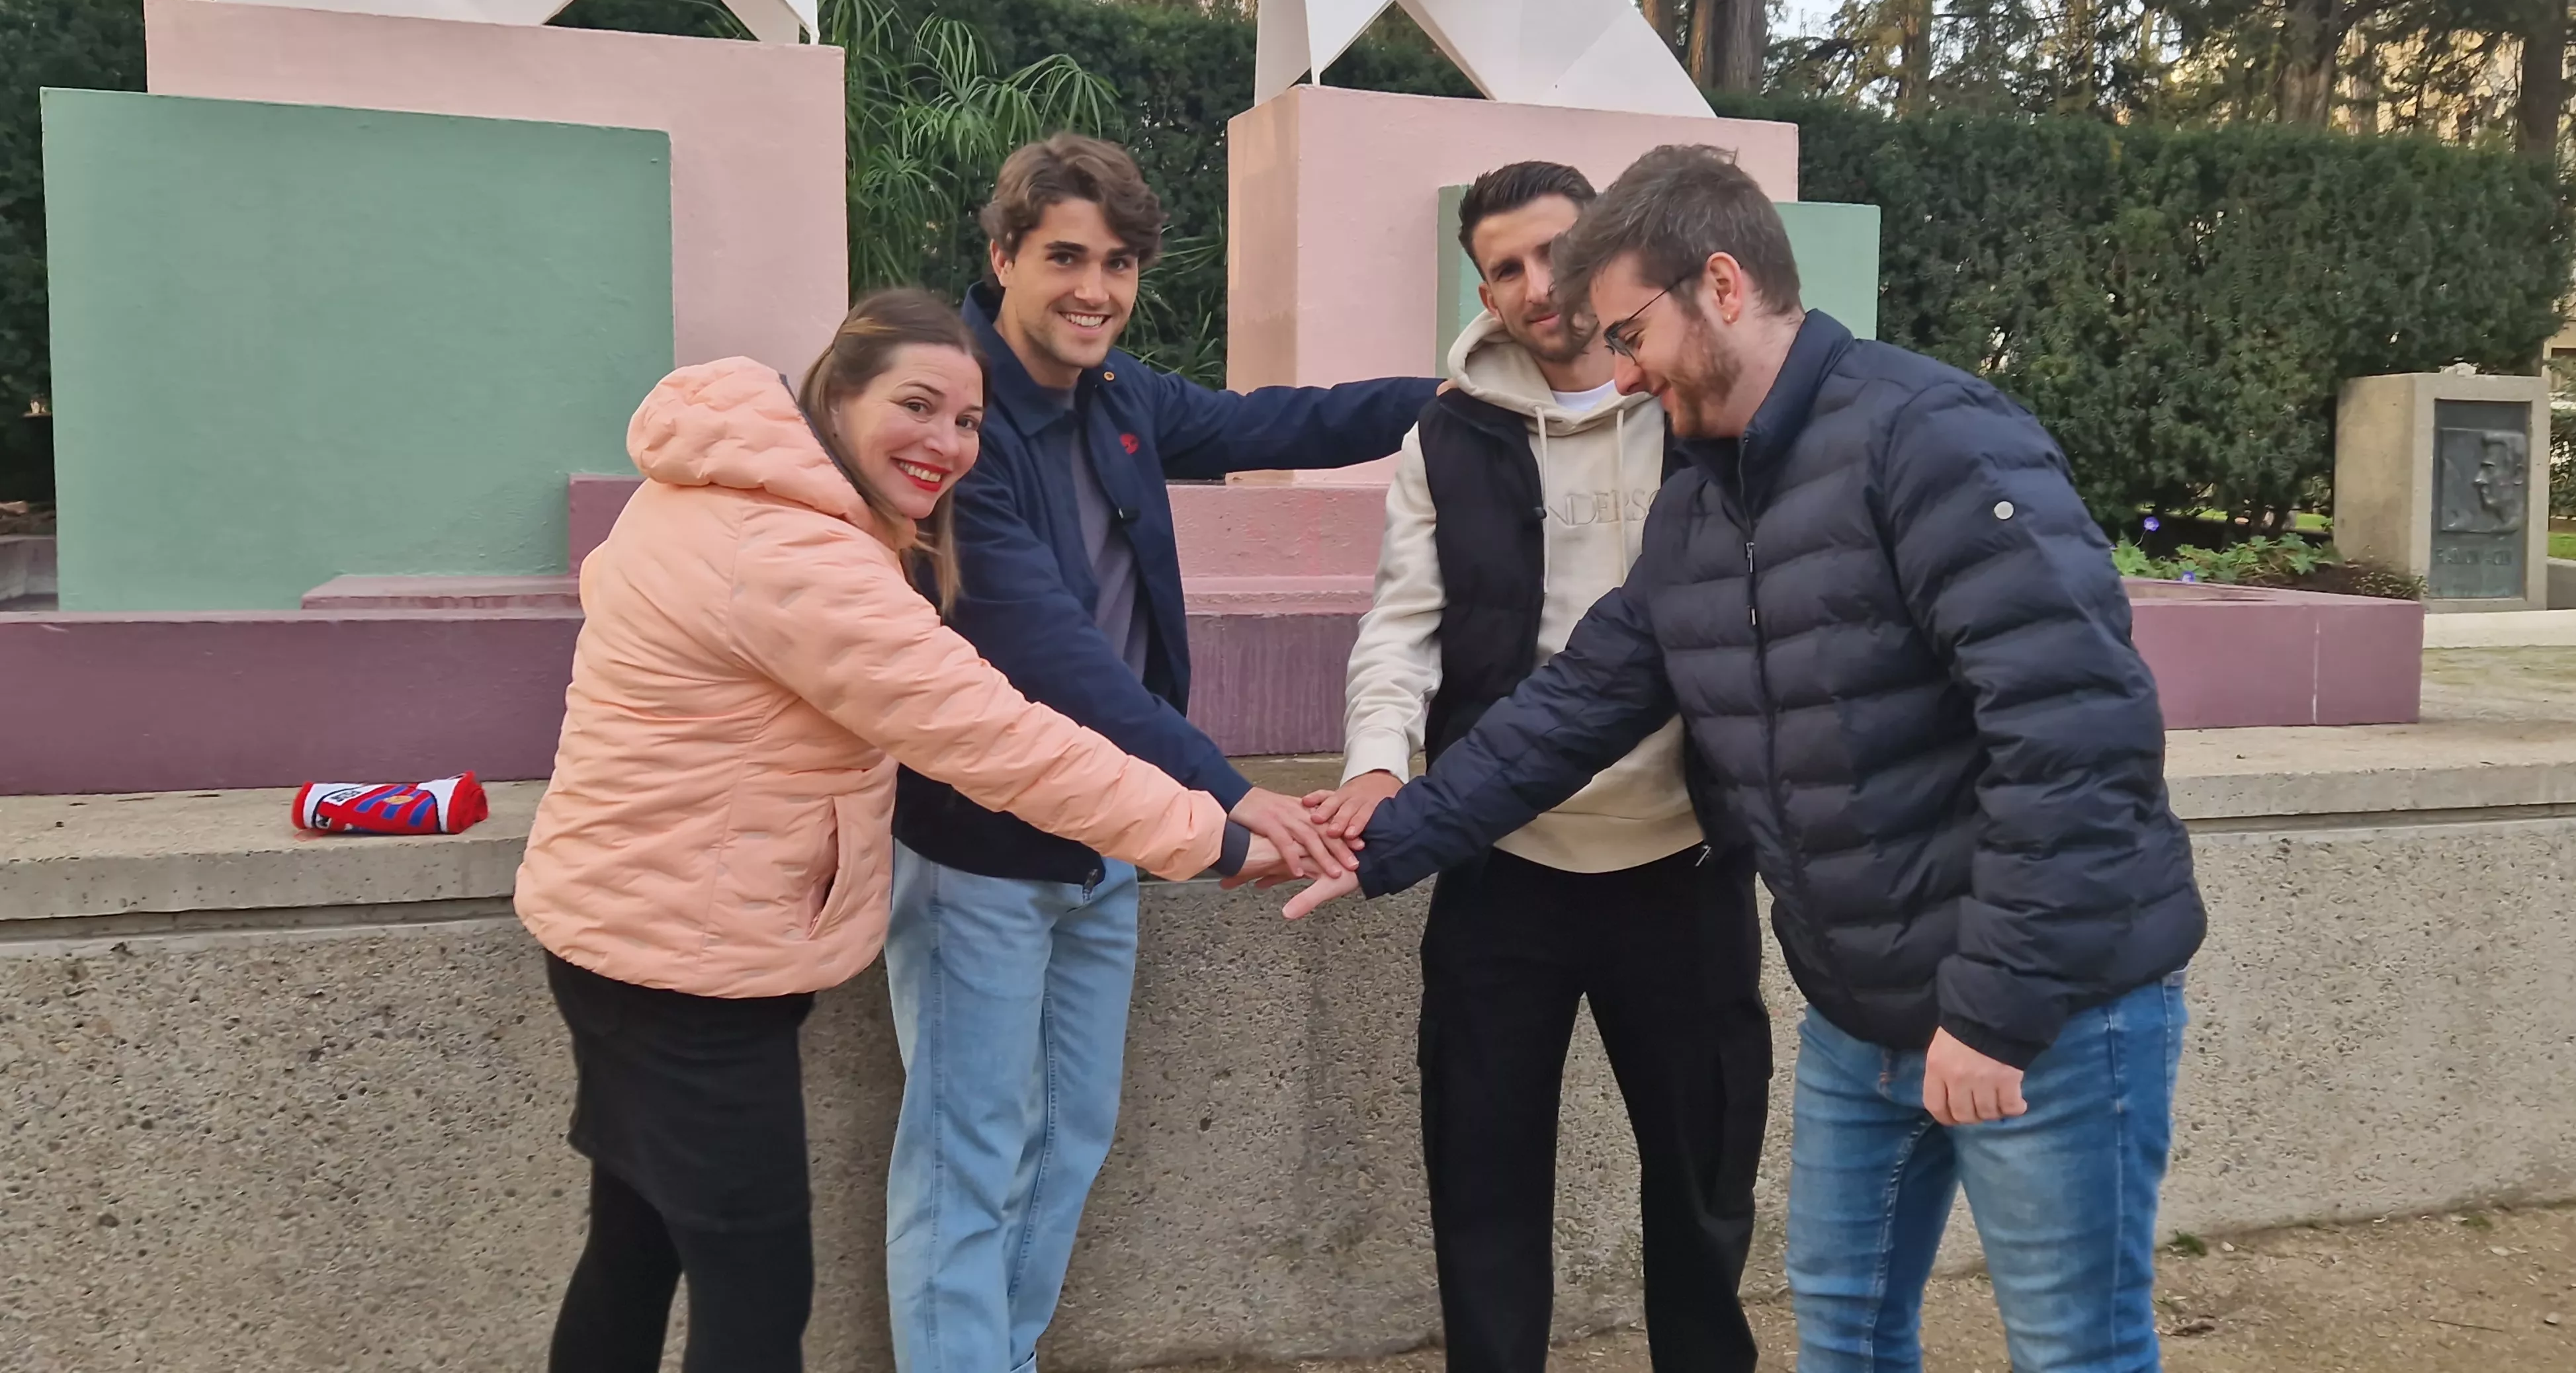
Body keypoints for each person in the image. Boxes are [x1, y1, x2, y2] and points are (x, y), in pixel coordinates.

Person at [1268, 146, 2209, 1373]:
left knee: (2074, 1350)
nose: (1617, 368)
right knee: (1845, 1336)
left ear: (1720, 284)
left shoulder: (1932, 436)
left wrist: (1992, 1010)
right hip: (1859, 1014)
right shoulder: (1707, 498)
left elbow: (2077, 741)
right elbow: (1579, 704)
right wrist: (1386, 835)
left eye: (1629, 331)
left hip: (2040, 1010)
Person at [513, 289, 1310, 1373]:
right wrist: (1210, 832)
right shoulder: (799, 558)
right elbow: (996, 736)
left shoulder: (723, 496)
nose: (947, 445)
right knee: (756, 1299)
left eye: (969, 422)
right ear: (836, 396)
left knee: (637, 1248)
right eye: (918, 406)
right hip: (682, 972)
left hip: (633, 932)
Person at [883, 133, 1438, 1373]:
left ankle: (1000, 1356)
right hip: (982, 844)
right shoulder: (959, 420)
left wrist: (1449, 398)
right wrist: (1232, 792)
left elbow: (1272, 417)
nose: (1095, 288)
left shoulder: (1122, 397)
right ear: (1002, 257)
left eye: (1120, 263)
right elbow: (1052, 652)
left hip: (1113, 841)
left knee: (1070, 1133)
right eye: (1066, 257)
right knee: (970, 1148)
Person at [1307, 160, 1769, 1373]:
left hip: (1684, 860)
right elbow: (1402, 624)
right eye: (1504, 267)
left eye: (1554, 254)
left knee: (1702, 1187)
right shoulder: (1446, 434)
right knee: (1483, 1181)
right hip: (1501, 867)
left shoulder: (1696, 407)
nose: (1536, 286)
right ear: (1485, 288)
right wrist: (1375, 765)